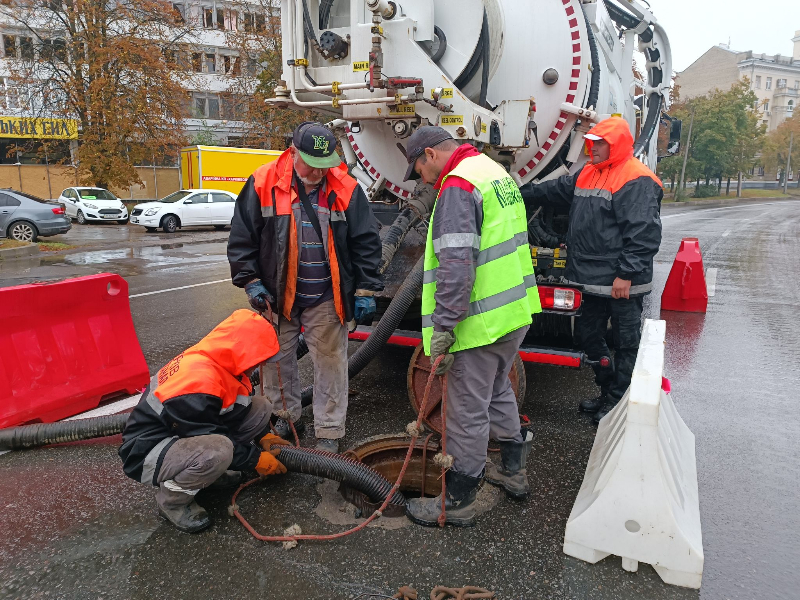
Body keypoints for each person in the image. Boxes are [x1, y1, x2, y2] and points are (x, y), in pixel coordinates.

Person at [400, 126, 542, 527]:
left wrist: (444, 327)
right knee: (498, 390)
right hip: (512, 312)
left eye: (419, 169)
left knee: (465, 411)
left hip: (478, 324)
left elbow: (456, 265)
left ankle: (457, 502)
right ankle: (512, 471)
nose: (422, 179)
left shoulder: (458, 187)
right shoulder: (494, 172)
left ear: (430, 154)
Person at [227, 122, 383, 453]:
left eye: (324, 165)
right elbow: (242, 237)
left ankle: (329, 430)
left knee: (330, 363)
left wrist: (366, 290)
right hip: (277, 296)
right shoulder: (262, 182)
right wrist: (251, 281)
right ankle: (285, 418)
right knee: (276, 361)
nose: (317, 172)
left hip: (325, 297)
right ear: (293, 151)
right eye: (311, 163)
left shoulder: (346, 188)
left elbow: (366, 243)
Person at [520, 117, 663, 423]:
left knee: (626, 343)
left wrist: (625, 274)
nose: (591, 147)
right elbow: (552, 192)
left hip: (621, 282)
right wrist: (515, 191)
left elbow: (644, 234)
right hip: (592, 279)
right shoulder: (588, 172)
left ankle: (618, 403)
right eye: (591, 141)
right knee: (589, 336)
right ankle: (607, 390)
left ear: (616, 144)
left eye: (599, 143)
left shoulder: (635, 178)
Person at [119, 309, 293, 533]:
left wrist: (263, 437)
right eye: (259, 358)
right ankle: (172, 502)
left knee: (261, 407)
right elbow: (209, 433)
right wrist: (255, 460)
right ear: (244, 352)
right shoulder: (198, 381)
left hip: (180, 436)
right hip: (147, 452)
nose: (260, 365)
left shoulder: (221, 364)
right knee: (218, 452)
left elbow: (226, 415)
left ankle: (209, 473)